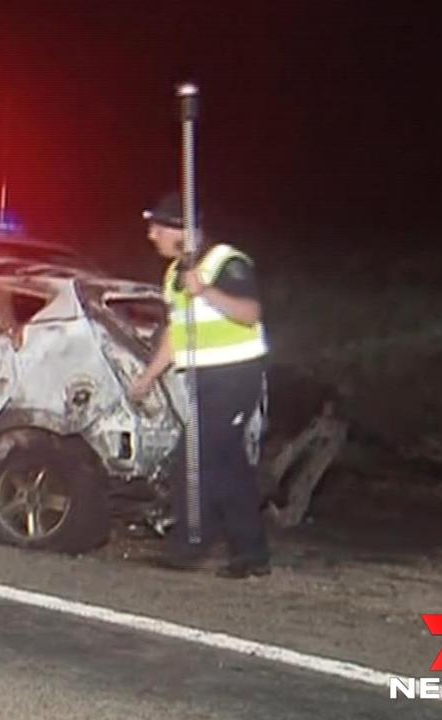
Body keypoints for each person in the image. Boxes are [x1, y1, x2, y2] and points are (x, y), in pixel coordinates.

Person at [129, 192, 271, 579]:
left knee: (196, 460)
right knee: (227, 465)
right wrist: (147, 377)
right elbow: (176, 335)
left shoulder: (226, 262)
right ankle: (251, 552)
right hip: (204, 378)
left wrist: (206, 290)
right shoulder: (175, 274)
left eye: (158, 226)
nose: (151, 234)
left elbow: (250, 312)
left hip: (235, 375)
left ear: (181, 229)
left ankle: (191, 547)